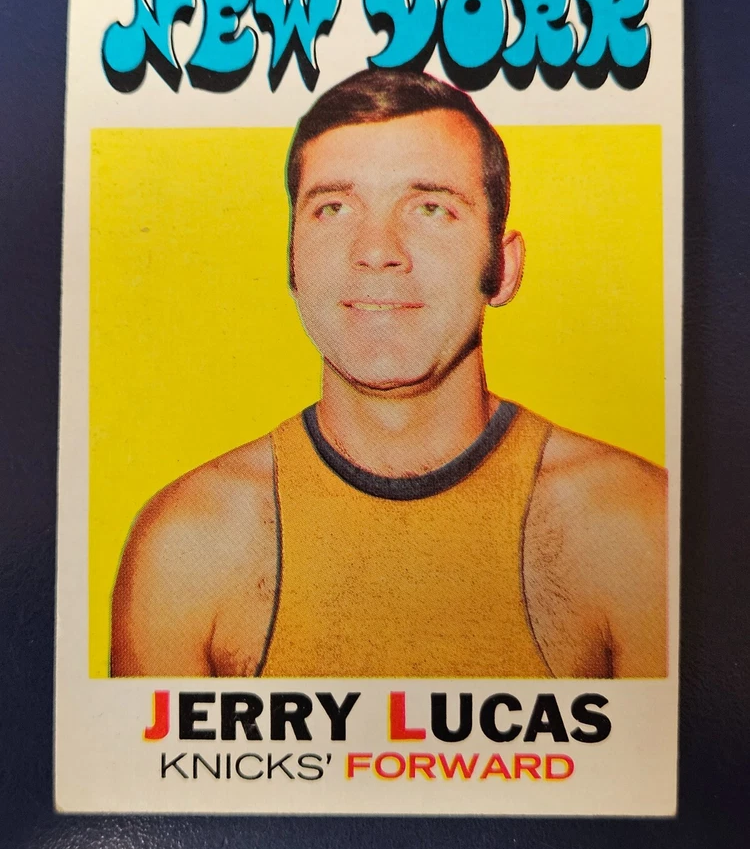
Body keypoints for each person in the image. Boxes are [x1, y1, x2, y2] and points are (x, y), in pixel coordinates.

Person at [110, 69, 667, 679]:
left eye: (430, 208)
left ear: (504, 268)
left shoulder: (636, 526)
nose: (376, 251)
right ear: (292, 260)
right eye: (334, 208)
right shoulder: (186, 545)